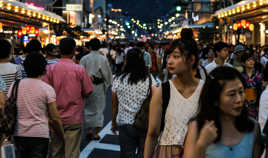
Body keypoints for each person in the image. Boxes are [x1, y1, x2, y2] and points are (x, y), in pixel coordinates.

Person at [183, 66, 263, 158]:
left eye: (241, 92)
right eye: (232, 94)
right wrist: (201, 145)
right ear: (215, 100)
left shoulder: (252, 127)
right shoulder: (197, 127)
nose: (239, 99)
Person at [144, 39, 204, 158]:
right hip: (167, 153)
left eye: (176, 57)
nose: (169, 62)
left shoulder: (205, 89)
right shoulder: (163, 91)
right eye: (169, 57)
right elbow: (152, 134)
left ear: (191, 60)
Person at [42, 38, 94, 158]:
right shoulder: (79, 69)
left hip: (55, 117)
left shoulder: (50, 69)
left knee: (56, 151)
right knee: (72, 152)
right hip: (74, 117)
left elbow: (44, 93)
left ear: (59, 50)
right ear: (74, 51)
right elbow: (88, 90)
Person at [10, 53, 64, 158]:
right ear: (43, 68)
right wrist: (61, 133)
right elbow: (55, 117)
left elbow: (10, 108)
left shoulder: (15, 85)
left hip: (19, 133)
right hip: (39, 134)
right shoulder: (47, 89)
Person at [111, 48, 152, 157]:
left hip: (125, 123)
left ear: (126, 61)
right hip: (144, 122)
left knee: (127, 154)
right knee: (144, 154)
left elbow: (114, 105)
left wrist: (113, 122)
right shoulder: (149, 79)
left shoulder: (118, 79)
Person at [80, 38, 113, 140]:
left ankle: (89, 130)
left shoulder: (84, 58)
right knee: (99, 109)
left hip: (86, 86)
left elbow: (80, 73)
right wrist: (108, 84)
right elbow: (107, 74)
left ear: (89, 47)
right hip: (98, 86)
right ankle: (95, 133)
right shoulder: (103, 59)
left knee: (87, 108)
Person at [241, 53, 263, 119]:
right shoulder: (240, 76)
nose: (251, 62)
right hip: (244, 106)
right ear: (243, 63)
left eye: (252, 60)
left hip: (257, 106)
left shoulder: (259, 75)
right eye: (248, 60)